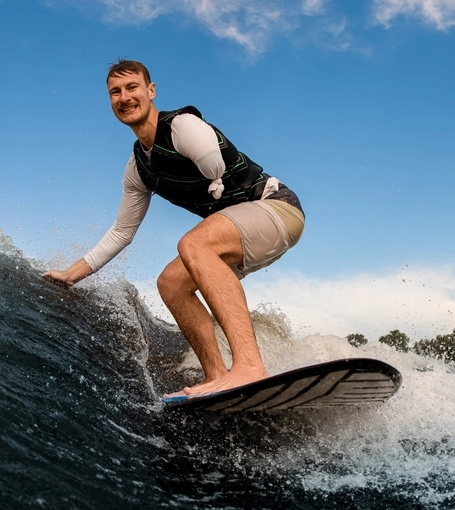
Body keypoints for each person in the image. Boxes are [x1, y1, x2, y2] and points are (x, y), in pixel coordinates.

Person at [44, 59, 305, 397]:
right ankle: (216, 376)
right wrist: (71, 274)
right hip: (245, 230)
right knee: (170, 283)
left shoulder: (182, 125)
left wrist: (209, 167)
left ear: (151, 91)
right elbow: (122, 231)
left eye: (132, 87)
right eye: (115, 92)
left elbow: (213, 159)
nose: (124, 97)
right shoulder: (138, 167)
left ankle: (250, 368)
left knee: (194, 244)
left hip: (278, 208)